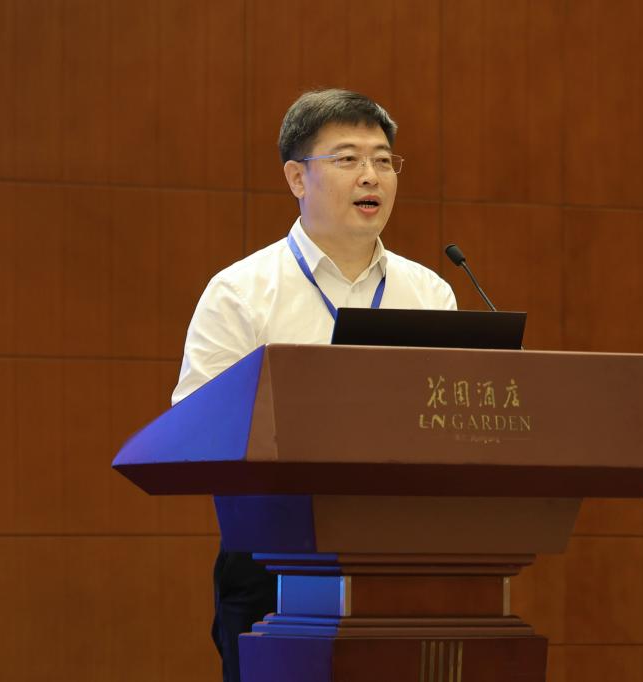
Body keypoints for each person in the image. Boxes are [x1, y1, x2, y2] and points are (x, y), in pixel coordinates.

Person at [170, 89, 457, 682]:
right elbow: (196, 424)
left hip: (406, 557)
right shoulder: (241, 292)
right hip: (273, 559)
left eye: (383, 160)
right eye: (347, 159)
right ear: (297, 177)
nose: (371, 175)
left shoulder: (430, 292)